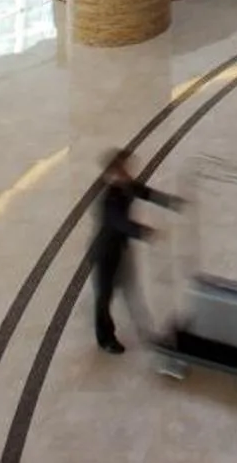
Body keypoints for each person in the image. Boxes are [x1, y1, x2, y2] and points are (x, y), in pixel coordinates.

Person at [88, 149, 179, 354]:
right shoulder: (109, 198)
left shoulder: (126, 186)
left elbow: (146, 193)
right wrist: (146, 232)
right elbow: (120, 222)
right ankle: (105, 339)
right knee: (104, 297)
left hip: (119, 251)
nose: (128, 172)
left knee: (131, 292)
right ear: (113, 172)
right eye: (123, 168)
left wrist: (173, 203)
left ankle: (147, 332)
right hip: (105, 255)